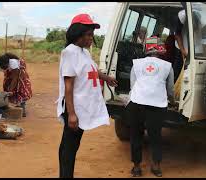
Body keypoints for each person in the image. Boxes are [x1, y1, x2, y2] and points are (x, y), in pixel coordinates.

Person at [56, 13, 118, 178]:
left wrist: (106, 78)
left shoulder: (84, 53)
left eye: (92, 35)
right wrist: (72, 114)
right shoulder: (70, 52)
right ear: (77, 34)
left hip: (81, 108)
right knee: (68, 149)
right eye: (88, 34)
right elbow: (68, 85)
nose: (91, 38)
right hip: (74, 108)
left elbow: (92, 71)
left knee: (70, 146)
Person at [126, 48, 176, 177]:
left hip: (137, 102)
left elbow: (132, 86)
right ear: (161, 53)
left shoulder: (136, 64)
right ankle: (156, 167)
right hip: (157, 105)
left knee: (136, 135)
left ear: (146, 52)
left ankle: (136, 168)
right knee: (155, 136)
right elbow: (170, 90)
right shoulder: (167, 66)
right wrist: (172, 101)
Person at [174, 9, 203, 81]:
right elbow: (177, 34)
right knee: (177, 73)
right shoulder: (182, 16)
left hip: (195, 49)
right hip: (181, 48)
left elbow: (198, 35)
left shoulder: (200, 17)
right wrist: (183, 51)